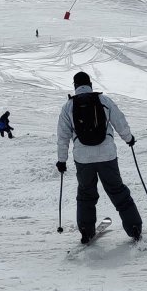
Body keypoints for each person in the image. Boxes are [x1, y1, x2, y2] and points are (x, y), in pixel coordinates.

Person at [56, 71, 141, 245]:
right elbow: (119, 121)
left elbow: (63, 136)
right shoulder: (103, 101)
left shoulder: (69, 106)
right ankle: (134, 228)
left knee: (86, 194)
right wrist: (129, 139)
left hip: (83, 158)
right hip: (107, 155)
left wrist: (62, 160)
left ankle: (86, 232)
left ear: (75, 86)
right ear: (90, 84)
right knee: (117, 191)